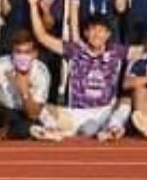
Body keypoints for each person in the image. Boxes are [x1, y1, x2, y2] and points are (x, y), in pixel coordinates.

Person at [26, 7, 130, 142]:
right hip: (76, 113)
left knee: (126, 101)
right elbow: (42, 37)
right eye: (92, 30)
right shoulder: (74, 50)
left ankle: (112, 129)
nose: (97, 35)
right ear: (86, 33)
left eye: (101, 31)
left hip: (104, 113)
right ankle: (53, 131)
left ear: (108, 34)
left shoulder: (116, 51)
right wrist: (33, 6)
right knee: (41, 108)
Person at [0, 31, 51, 142]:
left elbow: (34, 114)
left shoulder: (41, 72)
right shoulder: (3, 63)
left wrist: (24, 90)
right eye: (18, 52)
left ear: (35, 54)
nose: (22, 57)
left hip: (22, 113)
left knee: (31, 127)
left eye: (27, 52)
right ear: (12, 53)